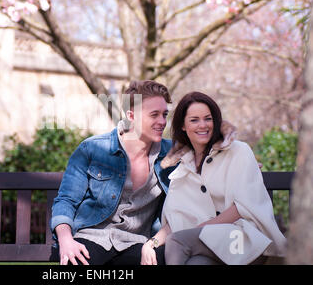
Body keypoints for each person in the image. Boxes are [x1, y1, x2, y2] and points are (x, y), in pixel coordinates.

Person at [141, 91, 287, 265]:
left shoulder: (238, 151)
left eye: (208, 118)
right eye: (194, 120)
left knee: (177, 242)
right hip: (209, 244)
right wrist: (151, 244)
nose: (203, 125)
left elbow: (243, 206)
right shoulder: (182, 169)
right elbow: (177, 220)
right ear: (183, 126)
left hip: (244, 240)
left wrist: (199, 231)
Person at [49, 80, 176, 265]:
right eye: (154, 115)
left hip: (139, 243)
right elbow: (66, 200)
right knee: (76, 262)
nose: (162, 122)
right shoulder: (92, 149)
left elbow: (205, 139)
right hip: (92, 237)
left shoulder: (172, 154)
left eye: (165, 114)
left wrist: (221, 129)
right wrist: (66, 240)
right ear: (131, 115)